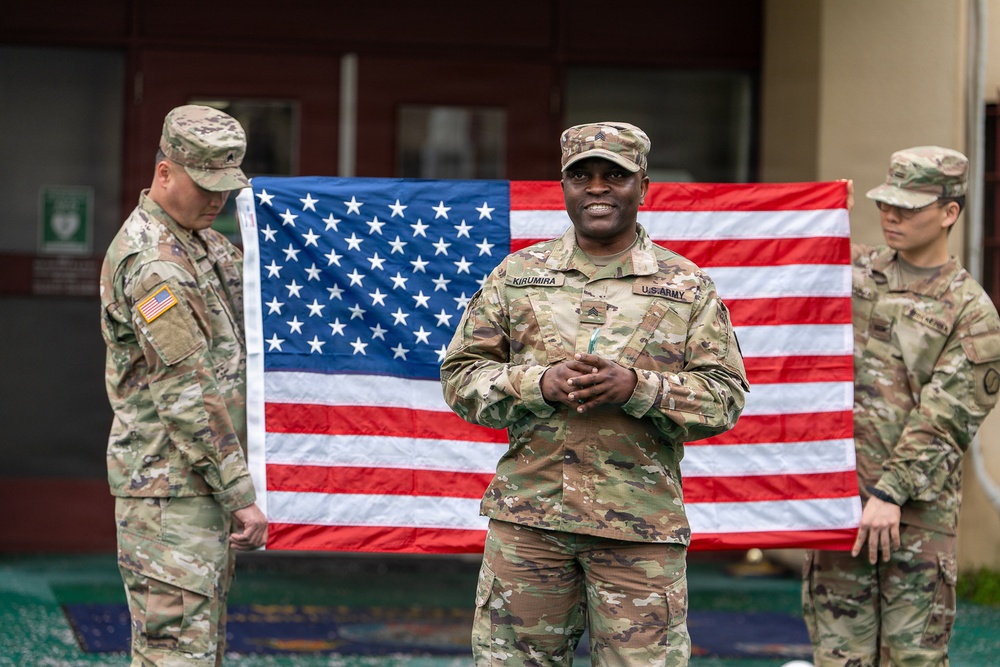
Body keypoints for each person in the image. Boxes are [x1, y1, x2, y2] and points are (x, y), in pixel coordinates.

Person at [440, 122, 749, 666]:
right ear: (564, 187)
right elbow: (461, 377)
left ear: (643, 186)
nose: (598, 188)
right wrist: (540, 383)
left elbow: (724, 397)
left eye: (615, 176)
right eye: (582, 176)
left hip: (639, 532)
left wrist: (638, 388)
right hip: (531, 524)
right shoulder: (517, 275)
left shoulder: (686, 285)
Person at [802, 147, 1000, 666]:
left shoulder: (971, 311)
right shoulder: (854, 272)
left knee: (912, 659)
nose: (891, 216)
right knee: (838, 658)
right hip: (841, 507)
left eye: (907, 208)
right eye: (887, 205)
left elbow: (946, 419)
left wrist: (890, 492)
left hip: (916, 517)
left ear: (948, 212)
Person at [100, 104, 268, 666]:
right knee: (175, 655)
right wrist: (239, 492)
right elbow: (186, 392)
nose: (218, 200)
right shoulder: (155, 263)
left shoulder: (200, 242)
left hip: (194, 488)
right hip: (170, 493)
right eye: (205, 185)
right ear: (165, 172)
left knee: (199, 649)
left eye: (227, 186)